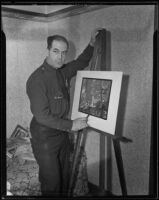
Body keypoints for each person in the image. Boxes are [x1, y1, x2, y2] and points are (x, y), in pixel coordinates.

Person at [26, 28, 101, 196]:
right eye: (56, 51)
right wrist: (72, 125)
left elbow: (81, 62)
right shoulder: (37, 79)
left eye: (64, 53)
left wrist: (91, 44)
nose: (60, 57)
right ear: (48, 50)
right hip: (44, 135)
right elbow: (42, 116)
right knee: (52, 182)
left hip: (61, 133)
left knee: (65, 177)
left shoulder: (62, 71)